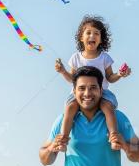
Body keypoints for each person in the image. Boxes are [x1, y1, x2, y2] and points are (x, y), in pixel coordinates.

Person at [54, 15, 132, 151]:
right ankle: (63, 140)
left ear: (101, 39)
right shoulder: (76, 57)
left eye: (96, 33)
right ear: (81, 38)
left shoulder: (104, 57)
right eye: (88, 33)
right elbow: (72, 79)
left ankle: (114, 136)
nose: (92, 36)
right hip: (79, 93)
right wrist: (62, 71)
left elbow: (110, 78)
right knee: (70, 107)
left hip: (102, 92)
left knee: (107, 107)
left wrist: (119, 74)